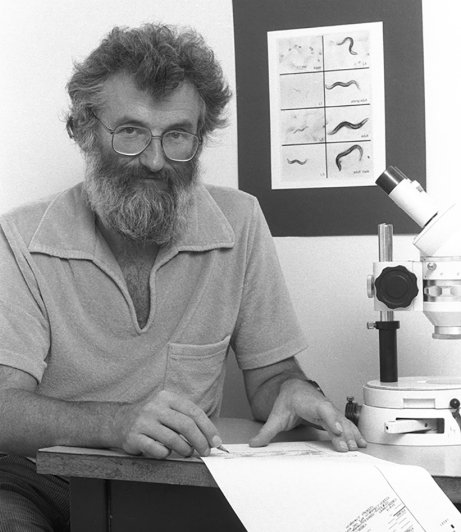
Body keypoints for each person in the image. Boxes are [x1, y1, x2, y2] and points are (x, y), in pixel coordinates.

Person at [0, 23, 366, 530]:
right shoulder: (20, 237)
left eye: (176, 135)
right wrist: (114, 423)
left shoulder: (240, 221)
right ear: (85, 132)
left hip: (179, 484)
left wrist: (296, 392)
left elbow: (271, 378)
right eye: (130, 131)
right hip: (41, 482)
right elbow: (4, 408)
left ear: (199, 137)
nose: (155, 160)